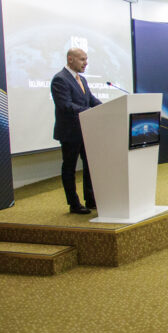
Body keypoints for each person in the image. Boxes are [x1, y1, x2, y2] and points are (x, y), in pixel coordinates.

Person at [51, 48, 102, 214]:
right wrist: (89, 111)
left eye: (86, 59)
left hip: (86, 130)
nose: (86, 63)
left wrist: (105, 108)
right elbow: (65, 105)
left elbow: (91, 99)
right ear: (70, 59)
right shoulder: (60, 79)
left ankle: (91, 199)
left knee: (90, 165)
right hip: (70, 132)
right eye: (82, 59)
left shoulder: (82, 79)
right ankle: (74, 204)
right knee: (70, 168)